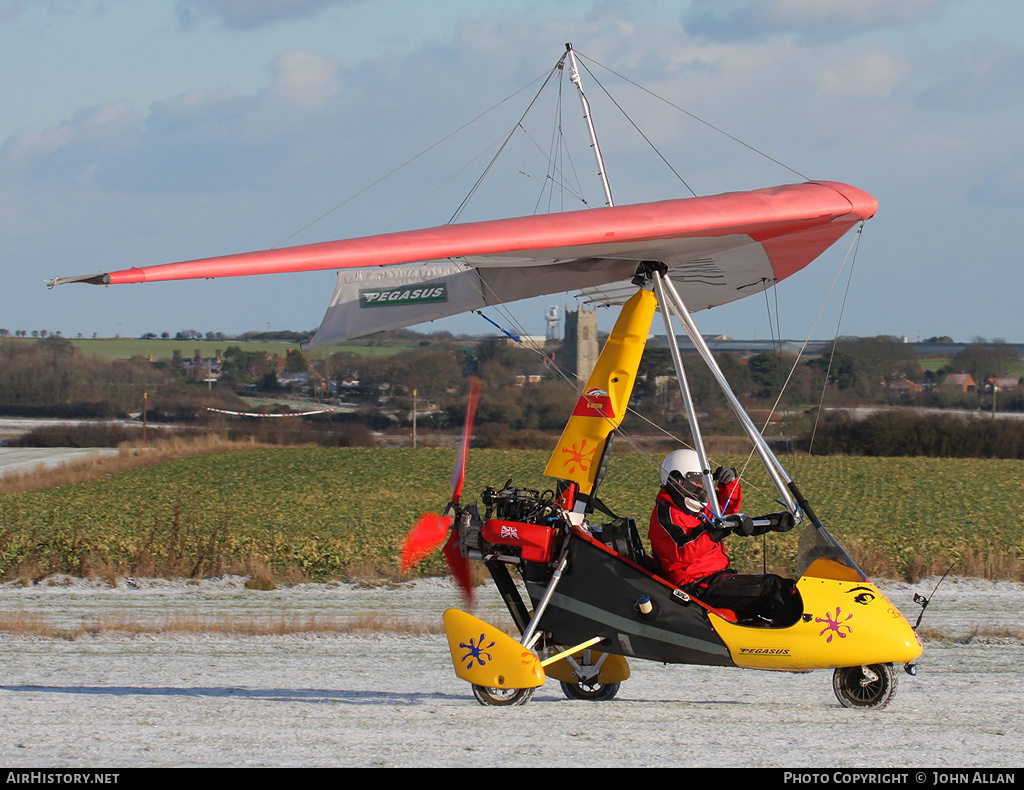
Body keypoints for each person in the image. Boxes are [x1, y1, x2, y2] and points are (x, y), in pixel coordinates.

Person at [648, 449, 798, 625]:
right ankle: (796, 636)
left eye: (702, 480)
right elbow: (683, 551)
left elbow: (724, 511)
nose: (700, 485)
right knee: (771, 588)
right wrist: (713, 532)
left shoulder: (692, 505)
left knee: (788, 587)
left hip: (717, 577)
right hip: (696, 586)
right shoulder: (665, 515)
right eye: (696, 480)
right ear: (678, 481)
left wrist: (730, 484)